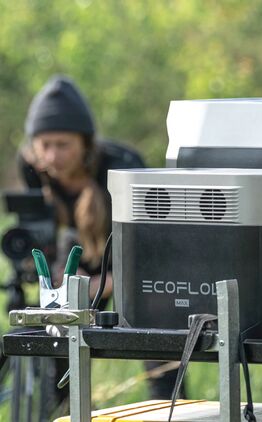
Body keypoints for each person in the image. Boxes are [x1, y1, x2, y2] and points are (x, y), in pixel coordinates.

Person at [17, 75, 182, 411]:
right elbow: (43, 228)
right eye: (44, 145)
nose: (52, 155)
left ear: (86, 143)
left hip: (134, 258)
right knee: (58, 340)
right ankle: (62, 413)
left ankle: (170, 412)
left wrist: (105, 284)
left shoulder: (123, 166)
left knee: (156, 341)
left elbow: (152, 246)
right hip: (80, 252)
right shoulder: (33, 167)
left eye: (63, 145)